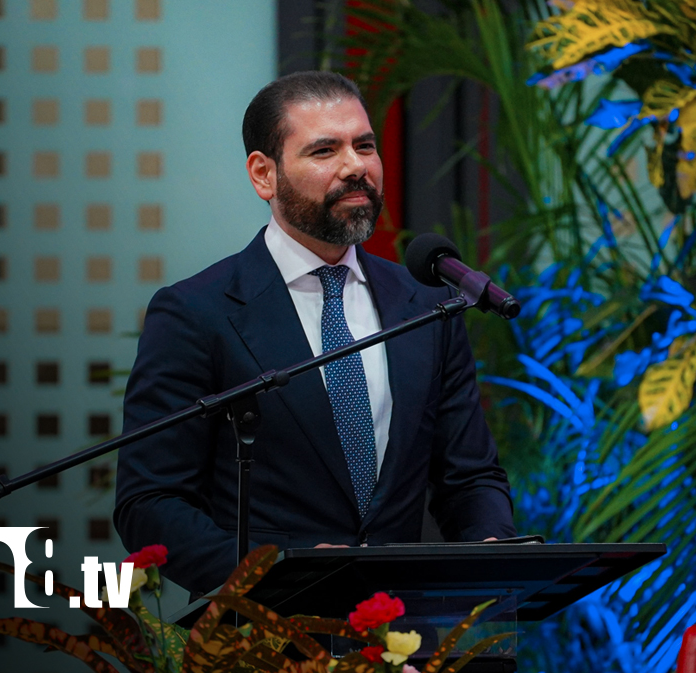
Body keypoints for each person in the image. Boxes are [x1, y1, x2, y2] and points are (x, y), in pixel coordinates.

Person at [114, 71, 516, 597]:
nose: (356, 167)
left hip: (403, 635)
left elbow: (469, 477)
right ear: (264, 175)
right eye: (325, 150)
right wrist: (275, 573)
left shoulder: (426, 305)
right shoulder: (198, 312)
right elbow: (149, 502)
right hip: (261, 638)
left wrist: (492, 549)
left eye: (365, 145)